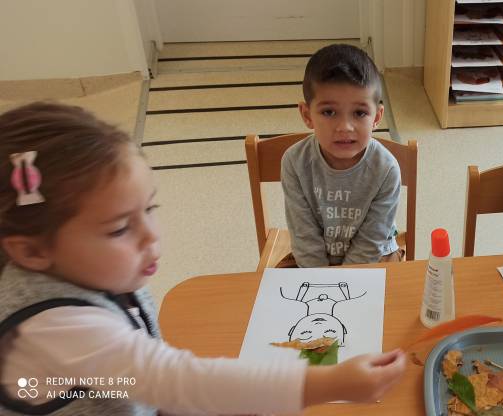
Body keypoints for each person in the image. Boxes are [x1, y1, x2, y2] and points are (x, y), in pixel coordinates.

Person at [0, 102, 406, 415]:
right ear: (32, 251)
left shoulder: (86, 271)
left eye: (149, 209)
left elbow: (141, 383)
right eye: (119, 228)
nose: (152, 235)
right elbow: (175, 381)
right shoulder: (52, 327)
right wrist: (330, 384)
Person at [282, 44, 403, 267]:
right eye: (329, 112)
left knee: (400, 289)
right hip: (315, 259)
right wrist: (322, 279)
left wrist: (344, 279)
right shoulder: (294, 162)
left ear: (377, 117)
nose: (345, 127)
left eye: (360, 113)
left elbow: (371, 241)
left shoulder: (386, 169)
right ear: (307, 115)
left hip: (374, 256)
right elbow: (304, 238)